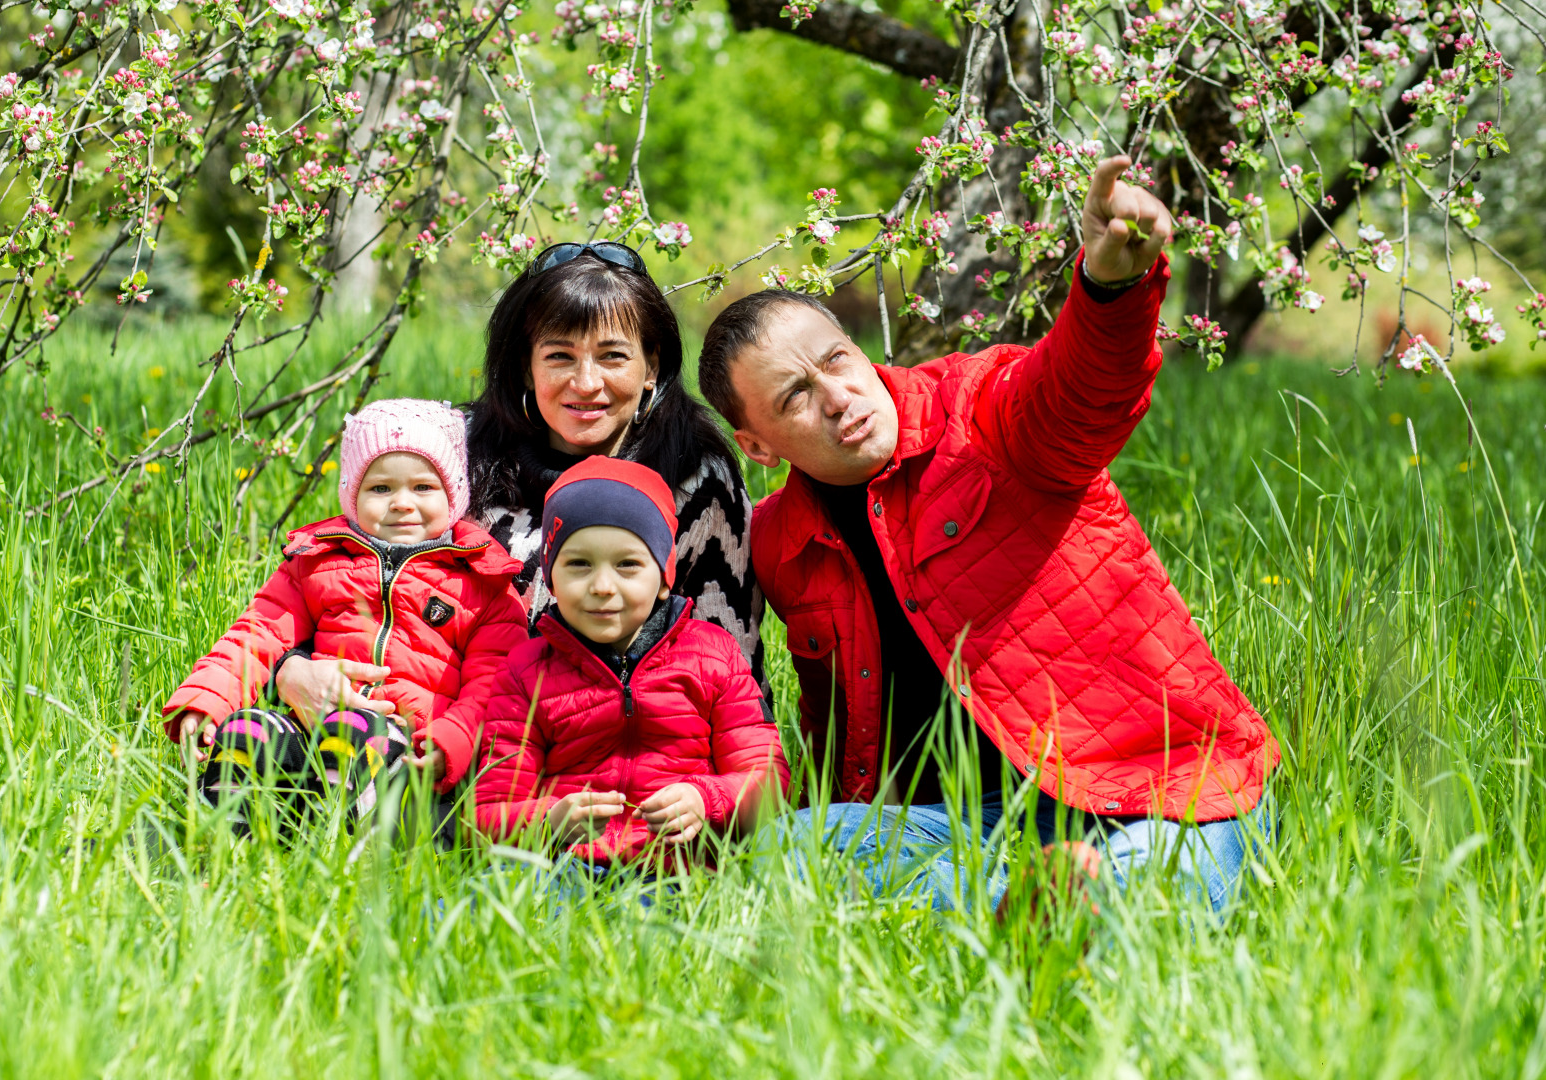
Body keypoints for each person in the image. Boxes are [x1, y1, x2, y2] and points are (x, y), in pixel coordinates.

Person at [695, 156, 1279, 913]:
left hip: (1148, 781)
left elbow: (1077, 394)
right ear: (757, 447)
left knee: (1154, 883)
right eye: (795, 396)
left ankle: (1049, 907)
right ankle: (1025, 904)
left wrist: (1109, 290)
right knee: (784, 850)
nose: (838, 397)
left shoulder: (979, 408)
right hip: (962, 818)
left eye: (838, 360)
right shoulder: (780, 544)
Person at [272, 242, 768, 734]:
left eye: (612, 355)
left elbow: (732, 688)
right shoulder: (455, 454)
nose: (586, 382)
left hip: (613, 763)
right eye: (559, 356)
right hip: (421, 729)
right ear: (525, 366)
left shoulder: (694, 475)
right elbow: (342, 576)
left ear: (651, 367)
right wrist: (289, 668)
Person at [162, 399, 526, 833]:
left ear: (454, 493)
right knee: (250, 731)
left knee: (357, 734)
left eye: (423, 488)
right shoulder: (317, 562)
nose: (402, 504)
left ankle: (344, 855)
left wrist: (452, 741)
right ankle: (220, 843)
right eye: (381, 489)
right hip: (309, 725)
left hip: (409, 747)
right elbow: (256, 634)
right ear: (352, 493)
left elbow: (494, 685)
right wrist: (204, 702)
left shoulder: (480, 582)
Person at [474, 457, 789, 879]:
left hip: (685, 872)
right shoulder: (526, 672)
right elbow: (485, 815)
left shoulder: (714, 655)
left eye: (627, 565)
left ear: (663, 578)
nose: (603, 586)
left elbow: (768, 780)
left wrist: (706, 798)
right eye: (579, 564)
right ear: (550, 579)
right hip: (567, 870)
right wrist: (550, 820)